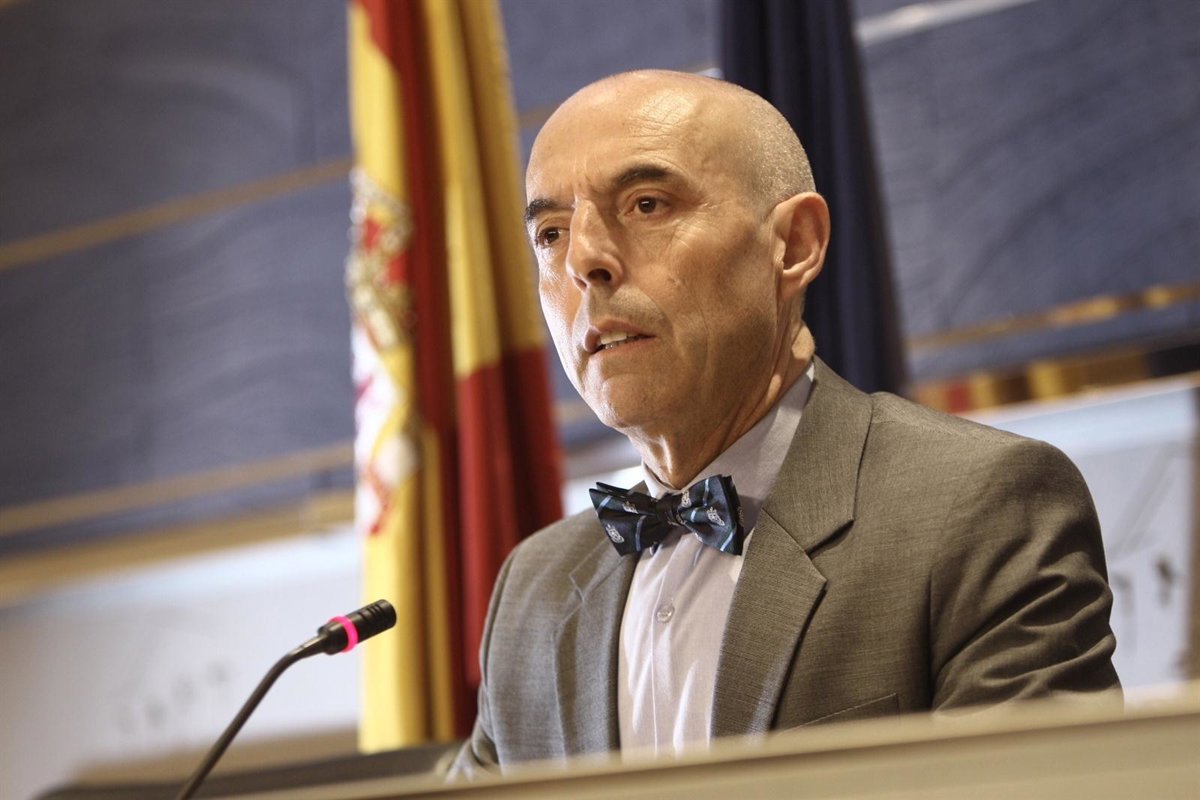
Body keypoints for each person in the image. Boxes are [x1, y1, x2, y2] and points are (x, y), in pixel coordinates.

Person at [451, 69, 1119, 774]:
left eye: (647, 205)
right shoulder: (533, 588)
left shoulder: (979, 508)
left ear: (795, 243)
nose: (585, 261)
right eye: (551, 233)